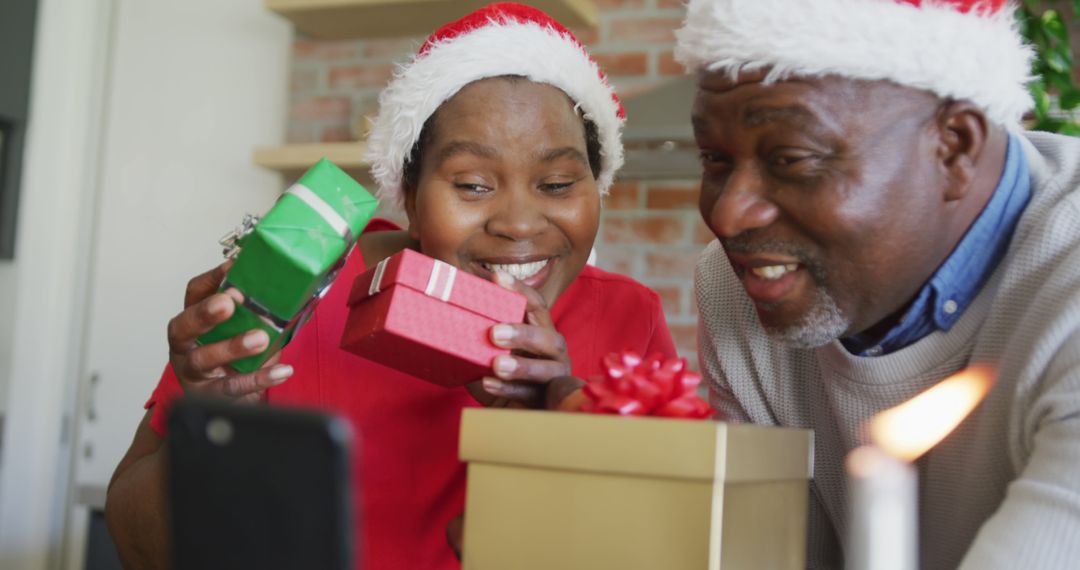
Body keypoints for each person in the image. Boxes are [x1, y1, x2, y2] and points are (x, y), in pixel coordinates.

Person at [104, 4, 676, 570]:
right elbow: (137, 550)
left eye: (556, 183)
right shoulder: (293, 301)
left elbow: (673, 539)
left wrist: (553, 425)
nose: (519, 224)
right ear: (409, 193)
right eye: (474, 185)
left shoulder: (629, 317)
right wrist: (211, 424)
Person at [673, 0, 1080, 568]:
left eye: (792, 158)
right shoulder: (735, 284)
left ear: (955, 147)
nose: (729, 215)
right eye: (714, 159)